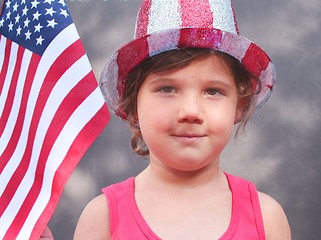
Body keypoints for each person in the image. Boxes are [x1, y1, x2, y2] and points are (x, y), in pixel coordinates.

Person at [74, 0, 291, 239]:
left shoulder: (266, 218)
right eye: (167, 89)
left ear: (238, 106)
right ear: (133, 104)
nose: (190, 111)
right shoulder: (102, 218)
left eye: (213, 91)